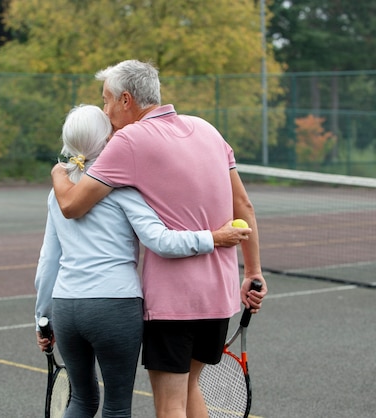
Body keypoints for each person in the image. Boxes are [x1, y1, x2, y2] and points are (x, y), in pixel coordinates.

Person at [50, 60, 268, 418]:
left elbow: (72, 205)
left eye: (106, 101)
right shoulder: (206, 129)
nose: (105, 112)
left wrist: (59, 171)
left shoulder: (128, 140)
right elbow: (243, 204)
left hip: (172, 302)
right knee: (189, 389)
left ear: (125, 100)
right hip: (219, 296)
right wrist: (253, 272)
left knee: (169, 406)